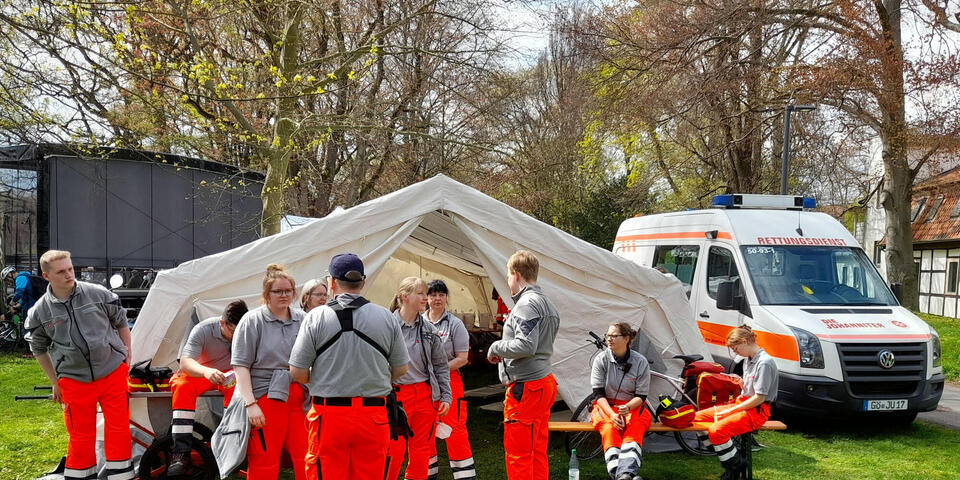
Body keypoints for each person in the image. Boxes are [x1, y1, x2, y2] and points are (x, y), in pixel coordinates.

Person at [289, 253, 410, 480]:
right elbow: (401, 368)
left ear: (332, 283)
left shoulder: (315, 317)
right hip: (374, 416)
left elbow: (297, 371)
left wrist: (320, 379)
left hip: (329, 416)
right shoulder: (386, 317)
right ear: (363, 282)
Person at [24, 250, 133, 480]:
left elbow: (121, 322)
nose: (69, 275)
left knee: (119, 430)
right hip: (73, 379)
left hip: (112, 372)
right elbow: (38, 348)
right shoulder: (40, 312)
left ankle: (121, 477)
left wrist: (126, 356)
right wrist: (55, 382)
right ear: (46, 276)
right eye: (61, 271)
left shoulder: (99, 294)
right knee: (80, 436)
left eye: (70, 269)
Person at [487, 250, 560, 480]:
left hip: (527, 388)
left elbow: (527, 345)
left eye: (508, 275)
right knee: (537, 451)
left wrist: (496, 347)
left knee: (519, 453)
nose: (508, 280)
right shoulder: (547, 304)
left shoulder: (526, 305)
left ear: (516, 274)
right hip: (542, 383)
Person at [231, 264, 307, 480]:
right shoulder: (252, 321)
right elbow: (240, 365)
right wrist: (250, 404)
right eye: (278, 291)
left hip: (299, 396)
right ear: (266, 294)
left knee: (306, 457)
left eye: (288, 291)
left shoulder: (303, 319)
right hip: (266, 397)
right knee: (264, 460)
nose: (284, 295)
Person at [167, 300, 249, 475]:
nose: (236, 336)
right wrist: (206, 372)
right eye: (232, 331)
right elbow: (185, 362)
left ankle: (233, 448)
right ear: (222, 323)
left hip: (231, 375)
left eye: (239, 331)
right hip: (202, 371)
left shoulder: (248, 329)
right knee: (182, 386)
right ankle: (180, 453)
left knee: (239, 389)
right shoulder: (203, 329)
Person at [386, 277, 452, 480]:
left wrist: (446, 396)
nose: (427, 297)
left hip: (425, 395)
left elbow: (441, 365)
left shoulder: (429, 329)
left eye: (426, 293)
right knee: (393, 451)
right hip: (396, 397)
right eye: (421, 293)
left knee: (421, 451)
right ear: (405, 297)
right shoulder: (387, 326)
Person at [692, 325, 778, 480]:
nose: (734, 352)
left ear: (744, 341)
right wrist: (741, 382)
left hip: (758, 411)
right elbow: (751, 388)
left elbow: (759, 398)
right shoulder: (748, 360)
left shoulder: (764, 362)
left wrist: (730, 411)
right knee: (696, 418)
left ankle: (732, 468)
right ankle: (733, 460)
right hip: (744, 404)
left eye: (735, 348)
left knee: (717, 431)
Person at [424, 279, 475, 480]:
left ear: (446, 298)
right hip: (424, 385)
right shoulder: (418, 322)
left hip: (450, 382)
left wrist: (438, 370)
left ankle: (465, 476)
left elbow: (462, 359)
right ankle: (426, 474)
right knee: (424, 430)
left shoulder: (455, 324)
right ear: (426, 298)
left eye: (441, 295)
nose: (437, 299)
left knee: (455, 431)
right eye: (433, 295)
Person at [590, 322, 652, 480]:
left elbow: (641, 396)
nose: (609, 339)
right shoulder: (601, 360)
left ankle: (623, 475)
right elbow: (597, 394)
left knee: (635, 426)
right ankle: (625, 474)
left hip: (633, 405)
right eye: (607, 335)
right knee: (609, 428)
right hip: (606, 406)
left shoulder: (640, 362)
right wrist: (612, 415)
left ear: (626, 339)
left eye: (614, 336)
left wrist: (627, 407)